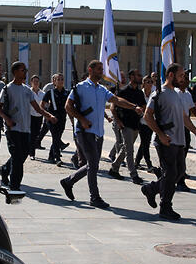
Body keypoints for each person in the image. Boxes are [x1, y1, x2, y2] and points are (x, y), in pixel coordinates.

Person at [61, 60, 143, 209]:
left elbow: (117, 100)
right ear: (90, 70)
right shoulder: (80, 87)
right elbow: (68, 106)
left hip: (98, 132)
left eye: (102, 69)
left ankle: (68, 181)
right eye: (99, 69)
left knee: (92, 164)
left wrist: (133, 106)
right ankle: (95, 197)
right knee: (93, 164)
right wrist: (82, 119)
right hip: (84, 131)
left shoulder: (101, 89)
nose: (101, 72)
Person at [141, 63, 196, 220]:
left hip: (179, 140)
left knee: (179, 171)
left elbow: (184, 117)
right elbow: (147, 116)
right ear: (170, 75)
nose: (183, 78)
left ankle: (152, 188)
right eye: (181, 75)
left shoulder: (176, 94)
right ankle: (165, 207)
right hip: (166, 141)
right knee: (170, 173)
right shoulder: (159, 94)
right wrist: (160, 134)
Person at [0, 62, 56, 189]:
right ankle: (15, 186)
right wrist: (7, 119)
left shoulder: (27, 90)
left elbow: (37, 108)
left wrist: (49, 116)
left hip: (25, 129)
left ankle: (4, 169)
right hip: (12, 128)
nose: (25, 72)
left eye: (26, 70)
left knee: (22, 155)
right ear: (15, 72)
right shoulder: (7, 89)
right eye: (23, 70)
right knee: (18, 157)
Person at [108, 69, 146, 184]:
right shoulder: (123, 91)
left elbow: (144, 105)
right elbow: (113, 107)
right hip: (125, 124)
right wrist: (118, 121)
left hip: (136, 124)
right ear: (131, 77)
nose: (140, 77)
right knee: (129, 150)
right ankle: (133, 174)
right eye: (138, 75)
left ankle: (114, 168)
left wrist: (142, 111)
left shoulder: (139, 92)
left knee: (125, 148)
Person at [43, 73, 70, 165]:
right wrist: (47, 116)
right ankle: (57, 157)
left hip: (62, 118)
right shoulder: (49, 93)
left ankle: (50, 156)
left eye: (62, 79)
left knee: (57, 138)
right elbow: (41, 106)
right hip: (52, 118)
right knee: (55, 137)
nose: (60, 81)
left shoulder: (67, 93)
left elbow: (70, 106)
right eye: (58, 79)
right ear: (54, 81)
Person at [134, 75, 157, 174]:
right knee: (145, 143)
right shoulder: (140, 94)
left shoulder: (153, 95)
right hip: (141, 122)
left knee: (144, 143)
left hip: (150, 122)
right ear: (143, 83)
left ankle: (137, 161)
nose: (150, 84)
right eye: (148, 82)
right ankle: (149, 164)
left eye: (151, 82)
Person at [28, 75, 45, 158]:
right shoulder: (28, 92)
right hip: (30, 115)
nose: (36, 83)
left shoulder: (42, 93)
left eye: (37, 81)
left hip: (39, 116)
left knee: (36, 134)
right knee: (32, 134)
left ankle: (30, 149)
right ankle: (32, 153)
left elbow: (45, 104)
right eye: (34, 81)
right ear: (31, 82)